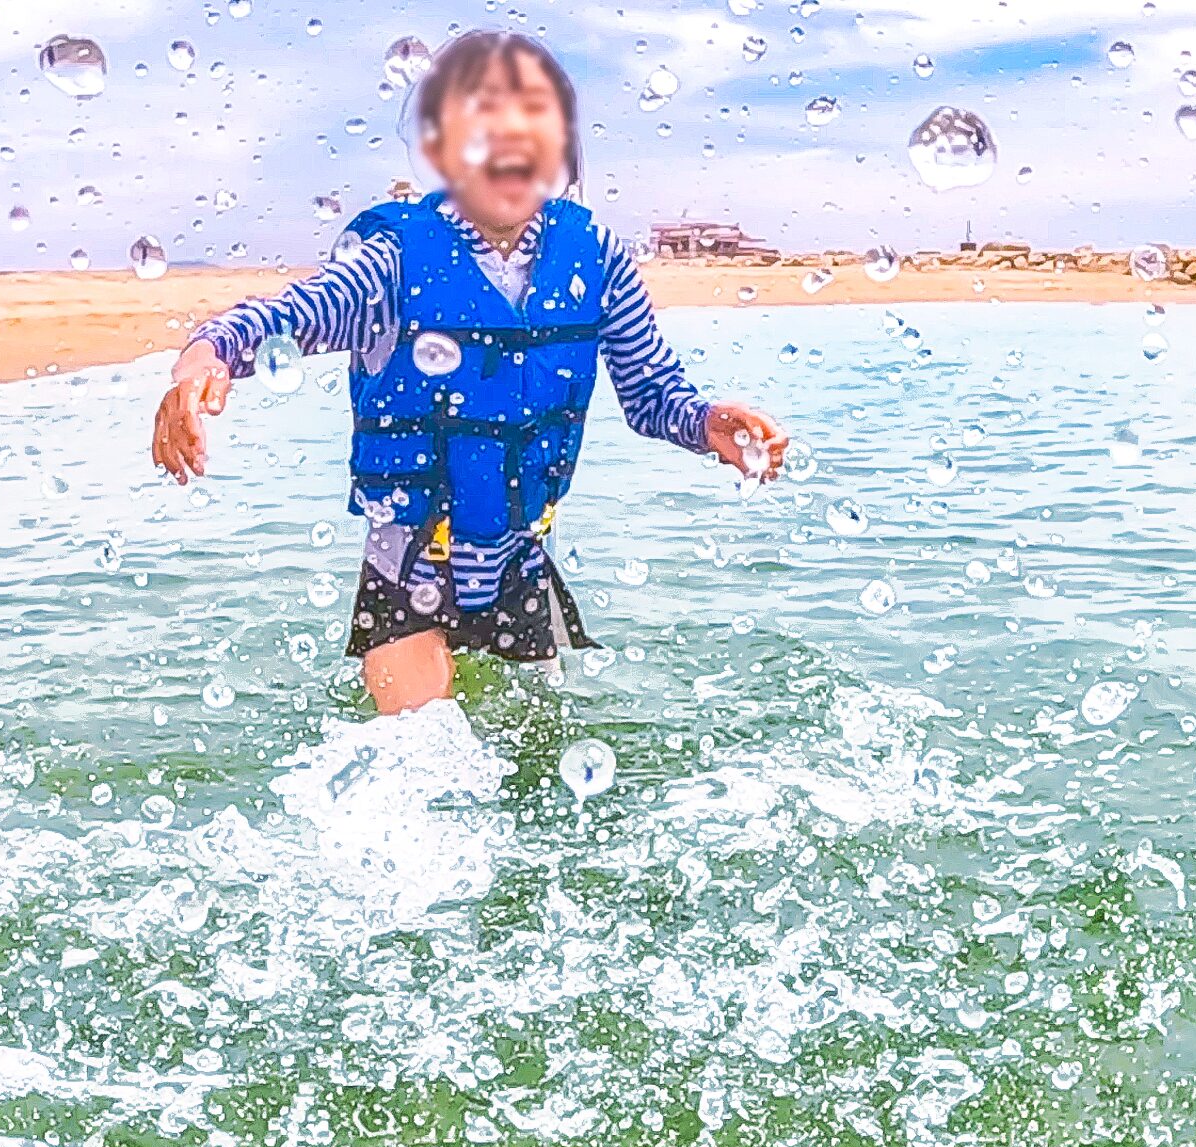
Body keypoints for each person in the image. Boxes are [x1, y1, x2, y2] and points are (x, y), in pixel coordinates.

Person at [150, 29, 787, 716]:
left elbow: (654, 394)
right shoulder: (391, 262)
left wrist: (706, 422)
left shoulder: (597, 257)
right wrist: (201, 363)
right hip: (411, 568)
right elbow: (271, 320)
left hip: (520, 563)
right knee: (418, 766)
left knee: (543, 764)